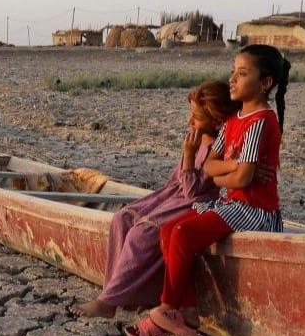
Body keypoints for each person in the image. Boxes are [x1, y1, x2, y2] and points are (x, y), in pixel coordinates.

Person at [127, 44, 291, 336]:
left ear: (265, 83)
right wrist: (235, 166)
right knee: (168, 231)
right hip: (234, 204)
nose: (233, 79)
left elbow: (242, 180)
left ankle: (166, 308)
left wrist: (237, 172)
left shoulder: (261, 122)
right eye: (233, 72)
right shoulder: (234, 121)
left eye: (242, 74)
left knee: (184, 234)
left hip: (256, 211)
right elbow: (212, 170)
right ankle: (187, 310)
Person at [70, 80, 237, 317]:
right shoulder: (195, 140)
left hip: (195, 201)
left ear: (217, 121)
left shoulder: (217, 149)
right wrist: (154, 203)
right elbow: (174, 182)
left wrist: (189, 157)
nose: (190, 122)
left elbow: (192, 191)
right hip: (174, 195)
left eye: (197, 118)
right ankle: (118, 294)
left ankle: (108, 301)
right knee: (122, 219)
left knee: (143, 233)